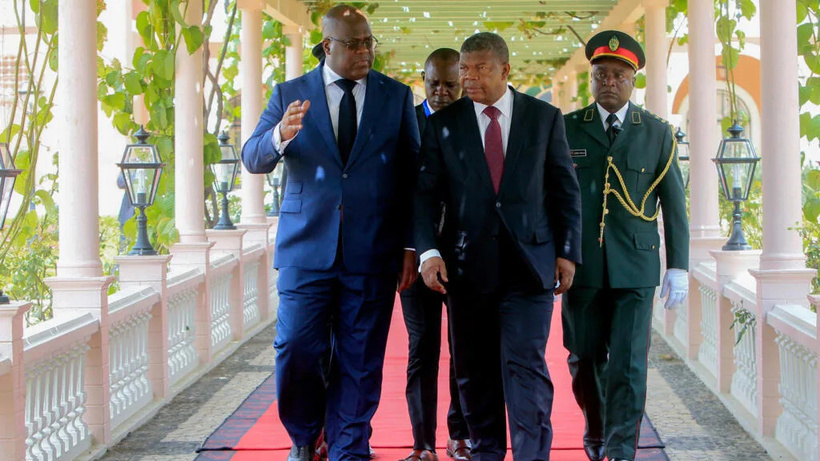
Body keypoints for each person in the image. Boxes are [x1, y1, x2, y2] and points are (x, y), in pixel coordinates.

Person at [241, 4, 420, 460]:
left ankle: (349, 445)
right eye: (355, 44)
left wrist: (410, 244)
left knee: (361, 358)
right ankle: (305, 435)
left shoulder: (394, 97)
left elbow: (413, 176)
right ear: (327, 46)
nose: (365, 52)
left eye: (369, 42)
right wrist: (279, 134)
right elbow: (253, 158)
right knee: (298, 346)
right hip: (305, 250)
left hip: (373, 250)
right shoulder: (289, 93)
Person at [414, 32, 582, 461]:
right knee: (474, 372)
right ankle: (486, 452)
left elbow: (565, 190)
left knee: (525, 369)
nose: (469, 77)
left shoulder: (544, 118)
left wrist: (567, 251)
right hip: (467, 269)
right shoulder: (442, 125)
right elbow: (425, 196)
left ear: (505, 70)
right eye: (465, 69)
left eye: (480, 68)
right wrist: (429, 252)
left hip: (530, 269)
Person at [561, 30, 689, 461]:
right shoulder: (565, 129)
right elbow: (551, 199)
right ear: (591, 78)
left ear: (633, 81)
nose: (609, 82)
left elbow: (674, 206)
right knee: (583, 358)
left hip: (636, 266)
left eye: (619, 75)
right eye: (602, 74)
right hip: (581, 267)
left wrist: (679, 266)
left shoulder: (656, 133)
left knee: (629, 364)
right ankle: (595, 428)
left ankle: (619, 448)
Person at [399, 48, 470, 461]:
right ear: (422, 79)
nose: (442, 92)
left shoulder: (474, 120)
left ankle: (459, 435)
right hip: (414, 253)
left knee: (463, 348)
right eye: (434, 84)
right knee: (421, 347)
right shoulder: (403, 120)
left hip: (465, 255)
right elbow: (398, 190)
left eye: (450, 84)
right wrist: (411, 248)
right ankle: (422, 442)